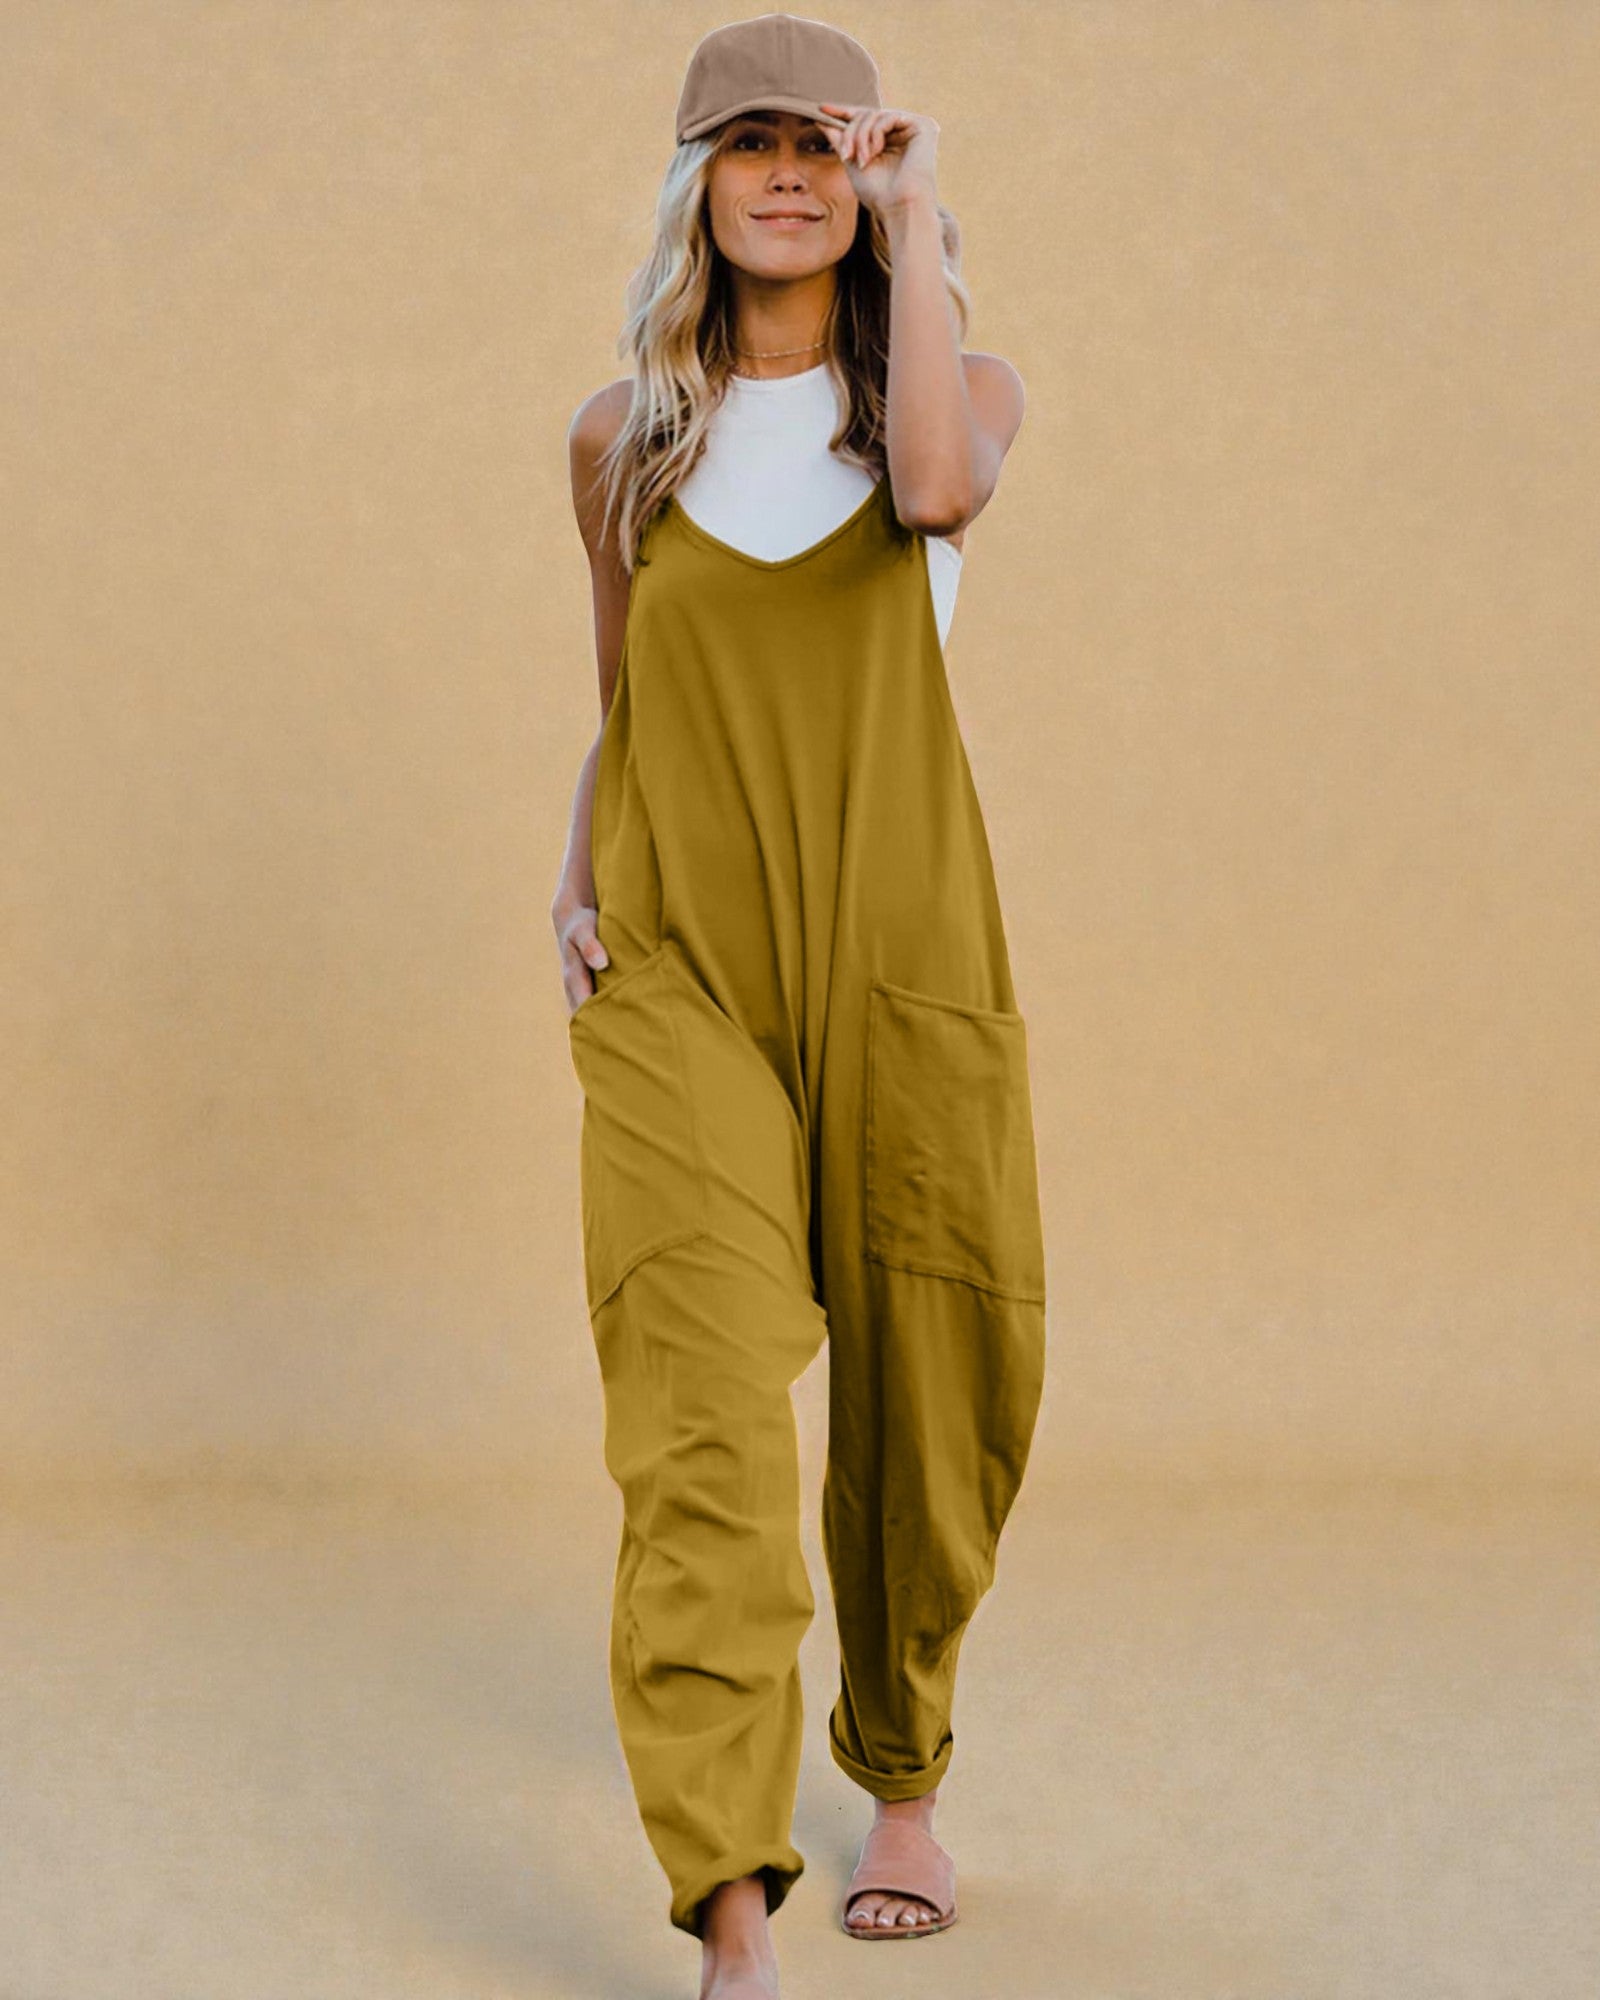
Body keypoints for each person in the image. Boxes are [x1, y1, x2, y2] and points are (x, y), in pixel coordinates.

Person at [551, 15, 1048, 1997]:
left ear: (868, 175)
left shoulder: (949, 384)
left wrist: (914, 223)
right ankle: (730, 1904)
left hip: (899, 941)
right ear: (694, 182)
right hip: (677, 955)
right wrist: (572, 874)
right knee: (694, 1408)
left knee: (934, 1372)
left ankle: (900, 1767)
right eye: (742, 143)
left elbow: (933, 495)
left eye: (819, 145)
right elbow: (625, 706)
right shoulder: (620, 437)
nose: (783, 174)